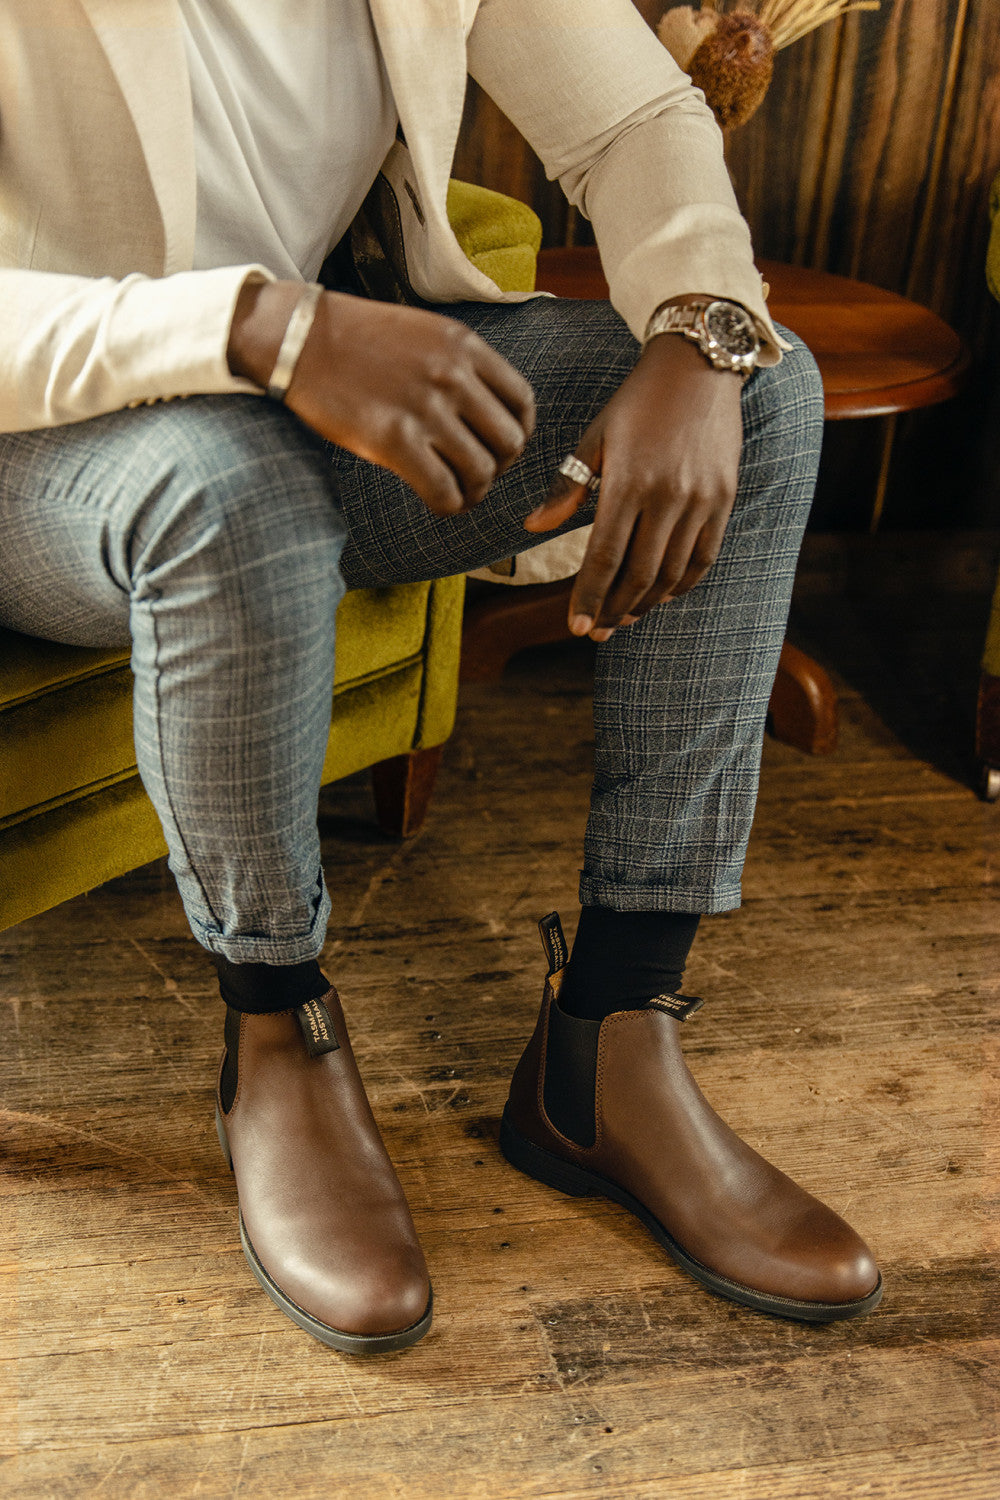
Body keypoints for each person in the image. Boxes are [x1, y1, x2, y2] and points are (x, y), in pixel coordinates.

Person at [0, 0, 882, 1353]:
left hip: (328, 393)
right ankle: (276, 1030)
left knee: (759, 389)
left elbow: (636, 114)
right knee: (227, 489)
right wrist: (266, 327)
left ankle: (610, 1044)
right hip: (55, 439)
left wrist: (699, 329)